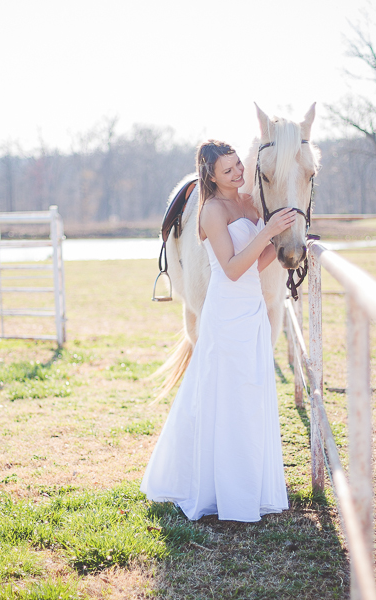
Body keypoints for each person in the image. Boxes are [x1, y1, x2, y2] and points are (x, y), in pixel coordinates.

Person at [141, 140, 298, 522]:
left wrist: (284, 243)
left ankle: (248, 479)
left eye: (239, 167)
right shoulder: (211, 210)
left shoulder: (248, 204)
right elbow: (230, 268)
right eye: (228, 171)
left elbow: (256, 264)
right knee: (223, 393)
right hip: (225, 311)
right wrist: (268, 232)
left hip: (252, 310)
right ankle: (213, 486)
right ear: (211, 176)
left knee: (249, 391)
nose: (238, 174)